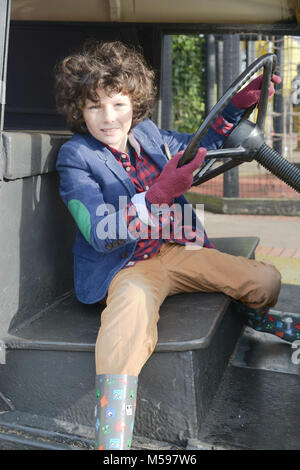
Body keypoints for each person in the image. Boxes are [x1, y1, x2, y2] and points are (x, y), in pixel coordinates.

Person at [54, 40, 294, 451]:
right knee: (128, 316)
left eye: (117, 104)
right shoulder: (76, 157)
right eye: (94, 107)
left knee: (266, 280)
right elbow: (97, 229)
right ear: (80, 111)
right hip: (127, 265)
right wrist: (155, 196)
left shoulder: (148, 134)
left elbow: (199, 148)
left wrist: (236, 108)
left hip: (178, 251)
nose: (108, 118)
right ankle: (111, 439)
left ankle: (253, 319)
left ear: (134, 102)